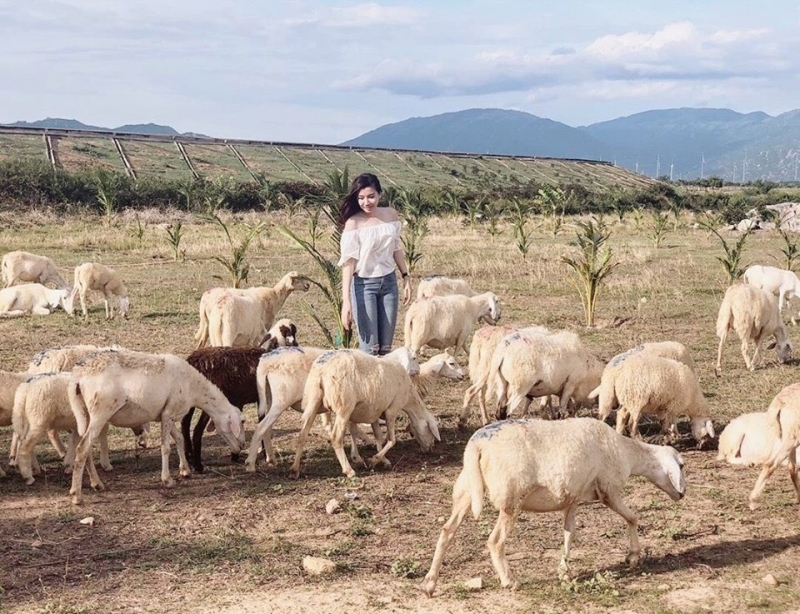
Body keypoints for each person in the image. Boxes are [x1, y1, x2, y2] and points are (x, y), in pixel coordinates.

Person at [338, 173, 412, 355]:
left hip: (389, 284)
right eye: (361, 198)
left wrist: (406, 277)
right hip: (364, 287)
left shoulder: (390, 215)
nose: (366, 202)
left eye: (371, 196)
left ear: (380, 194)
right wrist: (346, 301)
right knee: (370, 350)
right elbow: (349, 264)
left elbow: (396, 248)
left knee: (386, 349)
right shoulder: (353, 223)